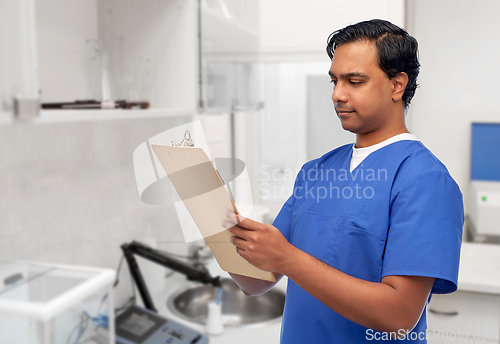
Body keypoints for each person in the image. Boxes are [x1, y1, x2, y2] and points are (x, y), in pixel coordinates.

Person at [223, 19, 463, 343]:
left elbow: (400, 315)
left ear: (397, 85)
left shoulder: (425, 181)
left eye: (354, 81)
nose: (337, 94)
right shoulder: (316, 171)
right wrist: (215, 223)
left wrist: (287, 258)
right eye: (335, 80)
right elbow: (255, 281)